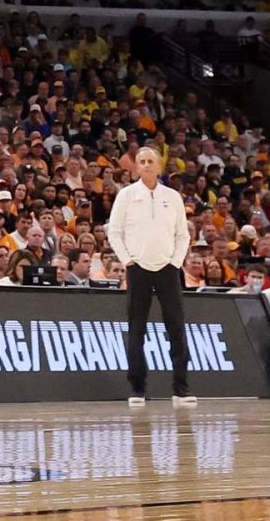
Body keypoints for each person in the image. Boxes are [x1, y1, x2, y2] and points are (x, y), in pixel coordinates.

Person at [105, 143, 193, 406]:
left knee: (176, 327)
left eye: (149, 161)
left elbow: (183, 234)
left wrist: (175, 262)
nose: (145, 165)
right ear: (135, 166)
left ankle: (181, 389)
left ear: (159, 166)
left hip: (167, 269)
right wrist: (127, 260)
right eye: (141, 161)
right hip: (138, 269)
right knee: (136, 329)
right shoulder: (126, 196)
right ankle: (137, 389)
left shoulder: (173, 197)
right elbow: (114, 232)